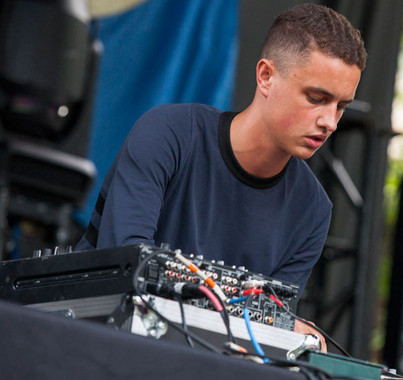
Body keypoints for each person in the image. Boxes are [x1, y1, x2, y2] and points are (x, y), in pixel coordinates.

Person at [75, 3, 366, 345]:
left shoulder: (314, 209)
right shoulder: (168, 134)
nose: (330, 122)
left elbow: (267, 328)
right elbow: (129, 267)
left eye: (341, 107)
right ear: (266, 76)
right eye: (317, 98)